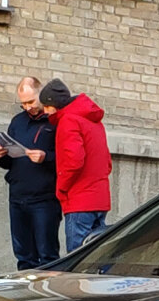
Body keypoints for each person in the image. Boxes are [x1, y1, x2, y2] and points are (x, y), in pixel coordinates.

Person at [0, 77, 60, 269]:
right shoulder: (17, 122)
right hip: (17, 196)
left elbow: (66, 158)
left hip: (45, 199)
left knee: (48, 256)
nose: (27, 107)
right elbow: (8, 162)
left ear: (41, 95)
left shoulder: (55, 121)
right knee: (23, 257)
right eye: (23, 104)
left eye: (31, 102)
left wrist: (46, 157)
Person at [41, 79, 113, 253]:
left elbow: (73, 161)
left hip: (79, 200)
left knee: (77, 258)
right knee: (96, 255)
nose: (44, 111)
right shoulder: (94, 122)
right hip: (100, 199)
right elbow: (107, 162)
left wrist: (62, 189)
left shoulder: (68, 121)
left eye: (46, 106)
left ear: (54, 104)